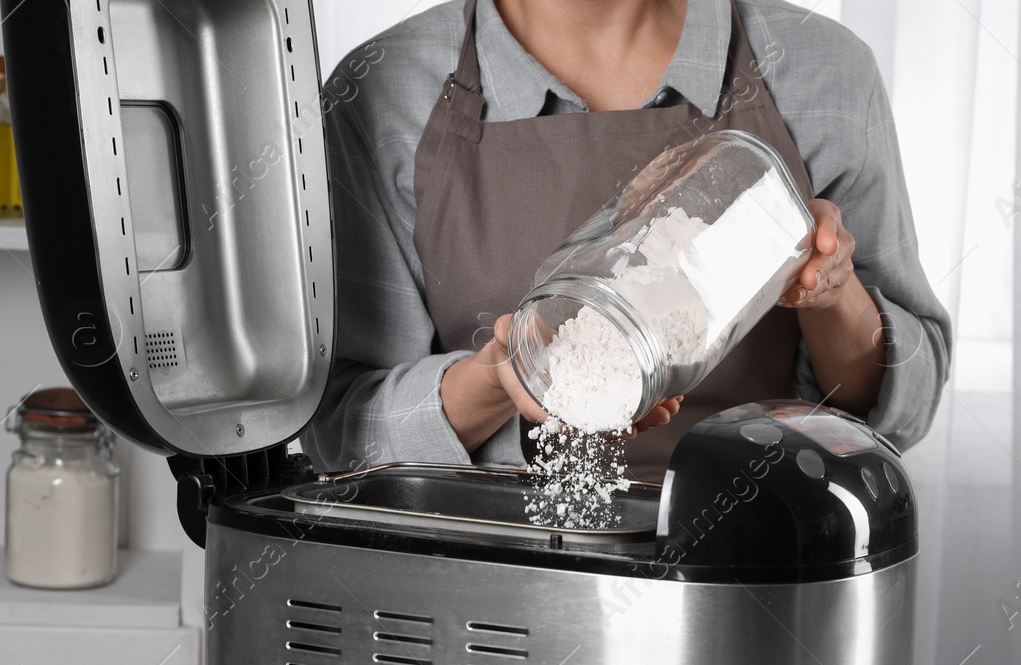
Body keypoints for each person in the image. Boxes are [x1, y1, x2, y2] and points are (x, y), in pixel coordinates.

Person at [301, 0, 951, 484]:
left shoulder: (822, 73)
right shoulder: (384, 92)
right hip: (487, 583)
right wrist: (501, 378)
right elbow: (339, 431)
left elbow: (902, 403)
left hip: (752, 575)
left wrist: (829, 291)